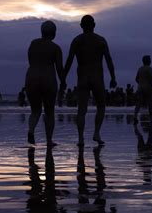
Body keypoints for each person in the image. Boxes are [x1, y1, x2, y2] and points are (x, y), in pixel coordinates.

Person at [64, 15, 117, 146]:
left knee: (81, 109)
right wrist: (113, 77)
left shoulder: (76, 41)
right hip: (97, 77)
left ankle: (81, 138)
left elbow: (69, 61)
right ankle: (96, 133)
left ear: (81, 26)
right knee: (101, 106)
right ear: (94, 25)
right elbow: (109, 59)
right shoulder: (100, 40)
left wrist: (63, 78)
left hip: (82, 77)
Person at [25, 20, 65, 146]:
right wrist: (63, 82)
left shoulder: (33, 44)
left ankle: (31, 130)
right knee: (49, 112)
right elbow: (59, 68)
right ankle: (49, 140)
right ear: (54, 33)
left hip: (32, 77)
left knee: (35, 110)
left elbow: (30, 60)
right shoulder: (55, 48)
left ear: (41, 32)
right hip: (48, 78)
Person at [133, 55, 152, 124]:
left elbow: (136, 78)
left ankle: (135, 116)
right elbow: (150, 78)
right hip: (147, 87)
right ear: (148, 61)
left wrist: (140, 83)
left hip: (140, 87)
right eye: (150, 60)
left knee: (139, 103)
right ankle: (151, 119)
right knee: (150, 103)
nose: (150, 61)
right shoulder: (149, 68)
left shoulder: (140, 69)